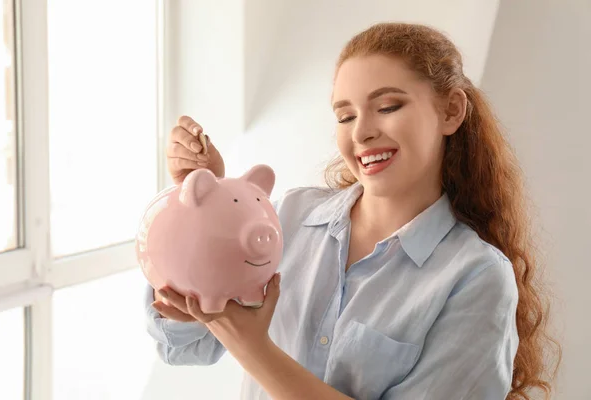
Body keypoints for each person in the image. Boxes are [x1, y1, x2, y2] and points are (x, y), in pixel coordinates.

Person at [144, 22, 560, 400]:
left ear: (451, 110)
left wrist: (254, 349)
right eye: (345, 115)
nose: (361, 132)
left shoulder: (475, 277)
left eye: (388, 107)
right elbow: (182, 345)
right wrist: (199, 214)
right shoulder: (285, 217)